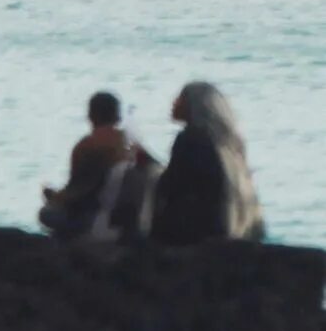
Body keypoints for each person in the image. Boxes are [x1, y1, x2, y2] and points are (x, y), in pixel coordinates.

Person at [151, 82, 264, 245]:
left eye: (180, 98)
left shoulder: (189, 139)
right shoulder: (228, 146)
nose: (173, 102)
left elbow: (173, 187)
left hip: (193, 237)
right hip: (221, 234)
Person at [40, 92, 154, 241]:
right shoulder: (132, 143)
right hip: (131, 218)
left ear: (91, 115)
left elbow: (79, 192)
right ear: (116, 116)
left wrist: (53, 197)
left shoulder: (87, 145)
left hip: (97, 218)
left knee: (47, 214)